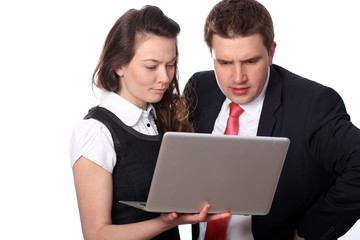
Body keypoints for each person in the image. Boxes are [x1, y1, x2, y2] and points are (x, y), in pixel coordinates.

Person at [183, 0, 360, 239]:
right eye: (224, 62)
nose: (238, 77)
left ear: (271, 52)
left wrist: (309, 233)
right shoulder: (199, 88)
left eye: (250, 61)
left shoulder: (312, 105)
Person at [69, 5, 230, 240]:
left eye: (171, 64)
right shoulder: (96, 132)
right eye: (151, 67)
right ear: (118, 66)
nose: (165, 78)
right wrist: (163, 222)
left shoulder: (158, 118)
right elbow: (96, 235)